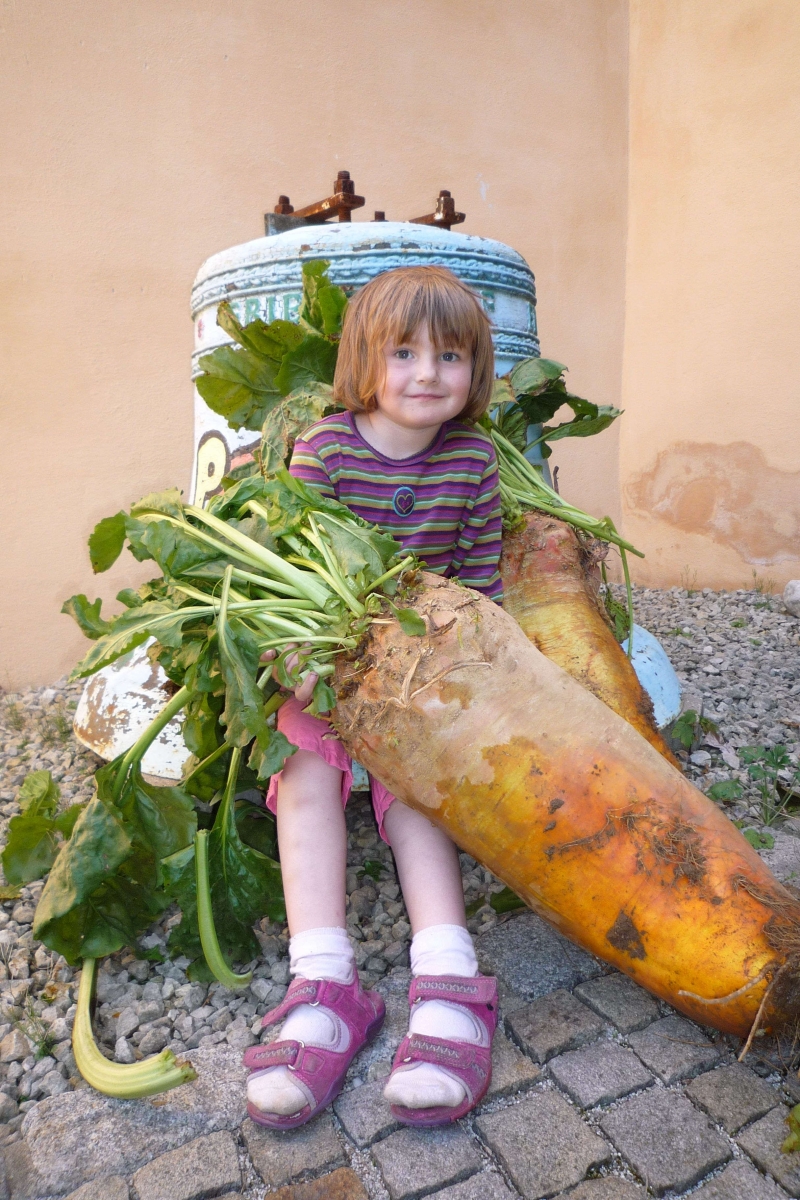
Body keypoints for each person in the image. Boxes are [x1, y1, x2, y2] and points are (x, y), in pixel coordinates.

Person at [243, 265, 503, 1130]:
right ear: (363, 362)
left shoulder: (473, 459)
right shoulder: (325, 449)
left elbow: (475, 583)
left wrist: (454, 672)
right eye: (403, 352)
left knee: (419, 794)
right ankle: (323, 984)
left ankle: (449, 978)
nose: (428, 373)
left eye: (451, 355)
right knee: (307, 778)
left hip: (416, 667)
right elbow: (290, 571)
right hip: (325, 659)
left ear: (477, 370)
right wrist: (295, 662)